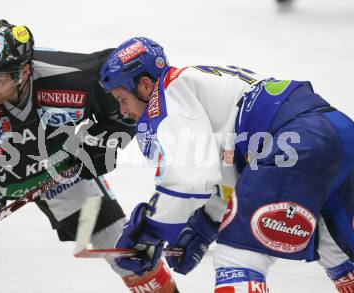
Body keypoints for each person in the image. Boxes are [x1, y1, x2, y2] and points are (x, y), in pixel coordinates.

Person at [0, 22, 179, 293]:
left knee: (128, 252)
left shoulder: (68, 77)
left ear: (24, 72)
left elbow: (123, 94)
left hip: (60, 169)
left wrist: (104, 141)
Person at [99, 36, 354, 292]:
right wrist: (204, 225)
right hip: (338, 132)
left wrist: (149, 231)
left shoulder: (166, 97)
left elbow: (190, 179)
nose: (123, 111)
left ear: (144, 85)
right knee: (340, 254)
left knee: (238, 259)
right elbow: (229, 170)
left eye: (122, 98)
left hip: (295, 143)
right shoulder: (194, 83)